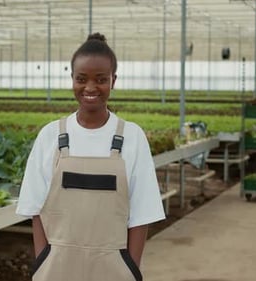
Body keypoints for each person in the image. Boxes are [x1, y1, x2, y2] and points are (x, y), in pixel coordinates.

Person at [16, 33, 165, 281]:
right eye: (81, 79)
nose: (90, 88)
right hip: (56, 270)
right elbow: (35, 208)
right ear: (72, 79)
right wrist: (44, 261)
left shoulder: (132, 137)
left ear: (113, 81)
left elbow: (142, 214)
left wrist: (131, 269)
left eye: (101, 79)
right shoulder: (51, 136)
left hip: (114, 271)